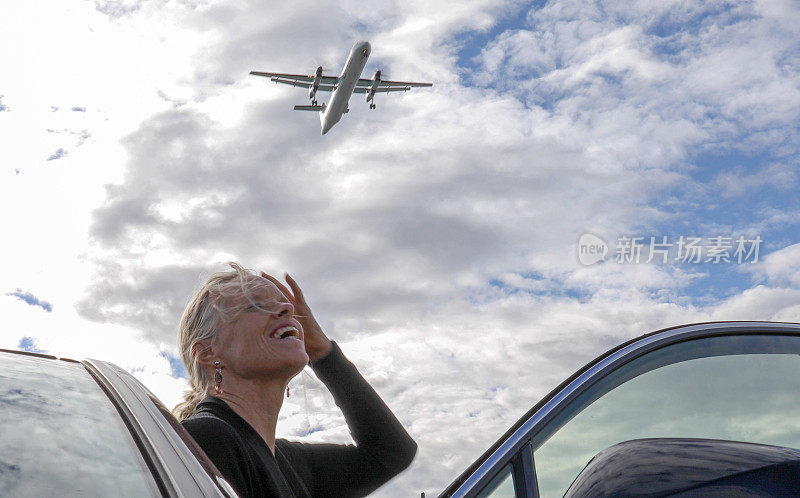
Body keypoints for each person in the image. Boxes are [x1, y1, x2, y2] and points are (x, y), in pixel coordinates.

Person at [173, 263, 417, 497]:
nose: (288, 310)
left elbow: (390, 453)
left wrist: (322, 351)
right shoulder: (206, 440)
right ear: (207, 352)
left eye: (284, 304)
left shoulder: (289, 463)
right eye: (253, 306)